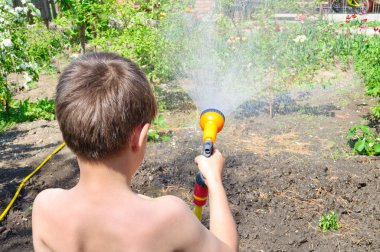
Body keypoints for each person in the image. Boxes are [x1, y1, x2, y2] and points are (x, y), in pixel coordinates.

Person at [32, 52, 238, 252]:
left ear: (65, 132)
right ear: (139, 137)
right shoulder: (167, 218)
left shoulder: (45, 207)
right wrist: (214, 180)